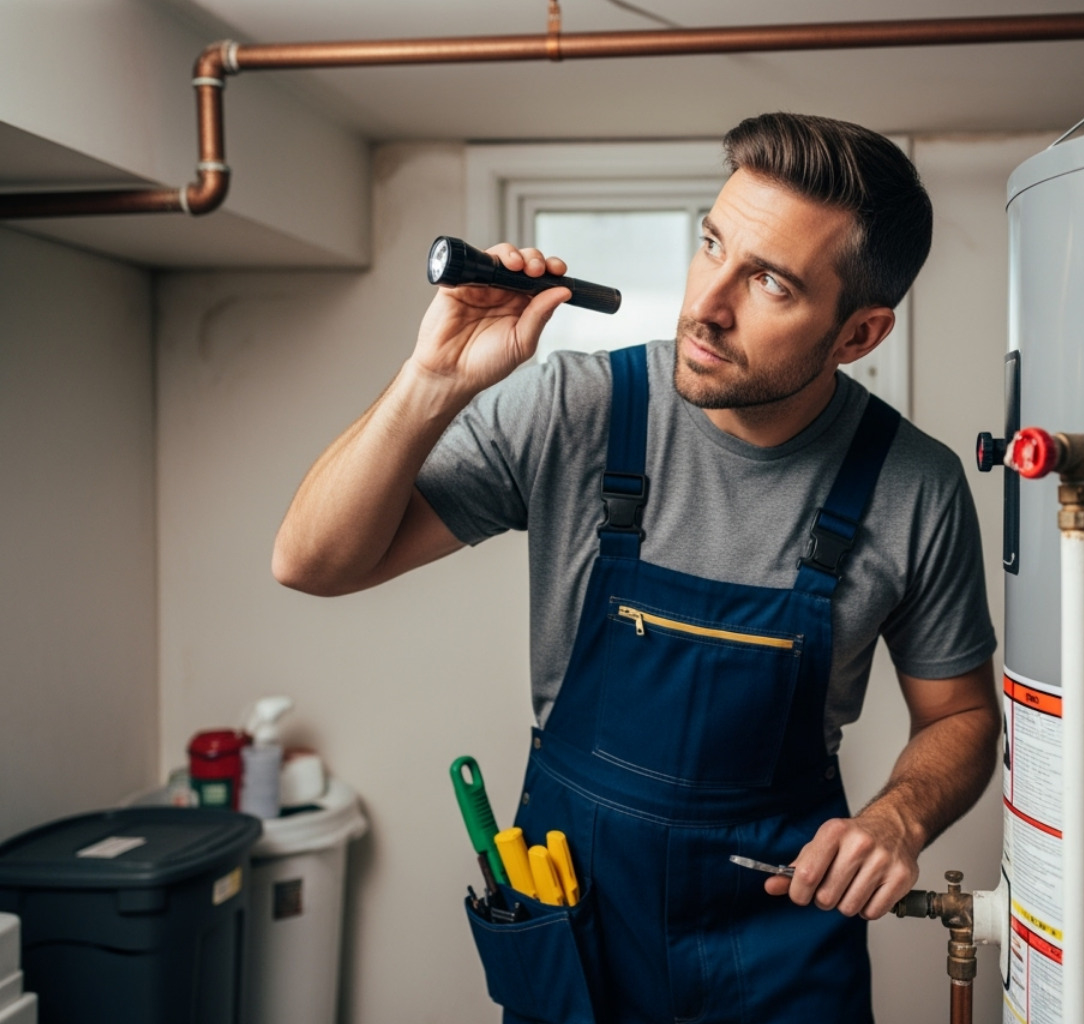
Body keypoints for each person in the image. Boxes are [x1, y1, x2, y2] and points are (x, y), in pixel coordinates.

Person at [273, 112, 999, 1023]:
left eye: (769, 281)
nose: (708, 305)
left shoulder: (914, 486)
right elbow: (311, 561)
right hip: (576, 928)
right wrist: (434, 378)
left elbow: (962, 715)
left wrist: (899, 819)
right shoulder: (576, 409)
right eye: (712, 244)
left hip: (778, 950)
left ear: (859, 334)